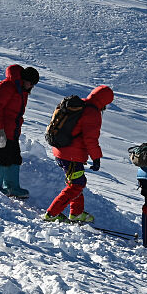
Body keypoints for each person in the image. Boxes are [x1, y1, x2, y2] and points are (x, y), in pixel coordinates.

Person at [43, 85, 114, 223]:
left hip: (61, 150)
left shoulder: (80, 104)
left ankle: (76, 212)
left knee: (77, 183)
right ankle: (52, 214)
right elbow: (90, 138)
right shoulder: (92, 112)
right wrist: (96, 158)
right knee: (76, 185)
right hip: (71, 154)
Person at [0, 64, 39, 198]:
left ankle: (12, 187)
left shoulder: (22, 90)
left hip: (11, 130)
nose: (32, 86)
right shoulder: (7, 86)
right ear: (25, 79)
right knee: (4, 157)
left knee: (15, 157)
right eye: (31, 83)